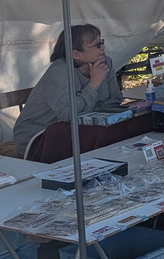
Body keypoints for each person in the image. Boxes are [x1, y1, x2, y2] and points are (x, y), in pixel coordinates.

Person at [14, 24, 123, 160]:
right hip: (39, 134)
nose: (102, 48)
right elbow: (67, 114)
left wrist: (94, 112)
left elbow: (116, 99)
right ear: (76, 54)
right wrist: (94, 84)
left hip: (80, 128)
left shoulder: (106, 62)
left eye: (102, 42)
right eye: (96, 45)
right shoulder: (59, 71)